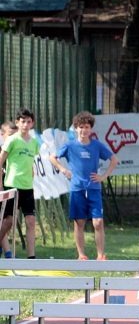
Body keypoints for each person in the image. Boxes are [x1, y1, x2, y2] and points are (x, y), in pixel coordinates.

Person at [48, 111, 119, 260]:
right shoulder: (70, 145)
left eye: (87, 127)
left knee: (98, 222)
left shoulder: (96, 145)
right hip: (77, 188)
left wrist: (103, 176)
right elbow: (52, 157)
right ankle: (81, 254)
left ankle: (100, 255)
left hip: (93, 188)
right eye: (81, 127)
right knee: (79, 221)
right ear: (76, 128)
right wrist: (63, 169)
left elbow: (114, 160)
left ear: (91, 129)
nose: (84, 130)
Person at [0, 109, 41, 258]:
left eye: (28, 121)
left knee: (30, 221)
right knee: (8, 221)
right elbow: (1, 161)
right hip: (12, 185)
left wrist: (31, 175)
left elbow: (30, 163)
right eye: (22, 121)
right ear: (17, 123)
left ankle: (31, 258)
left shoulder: (34, 143)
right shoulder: (12, 140)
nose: (25, 124)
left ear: (32, 123)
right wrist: (1, 186)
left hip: (27, 188)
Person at [0, 120, 15, 258]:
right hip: (1, 190)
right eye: (10, 135)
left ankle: (9, 254)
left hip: (7, 190)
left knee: (7, 221)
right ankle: (9, 254)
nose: (13, 138)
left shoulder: (14, 149)